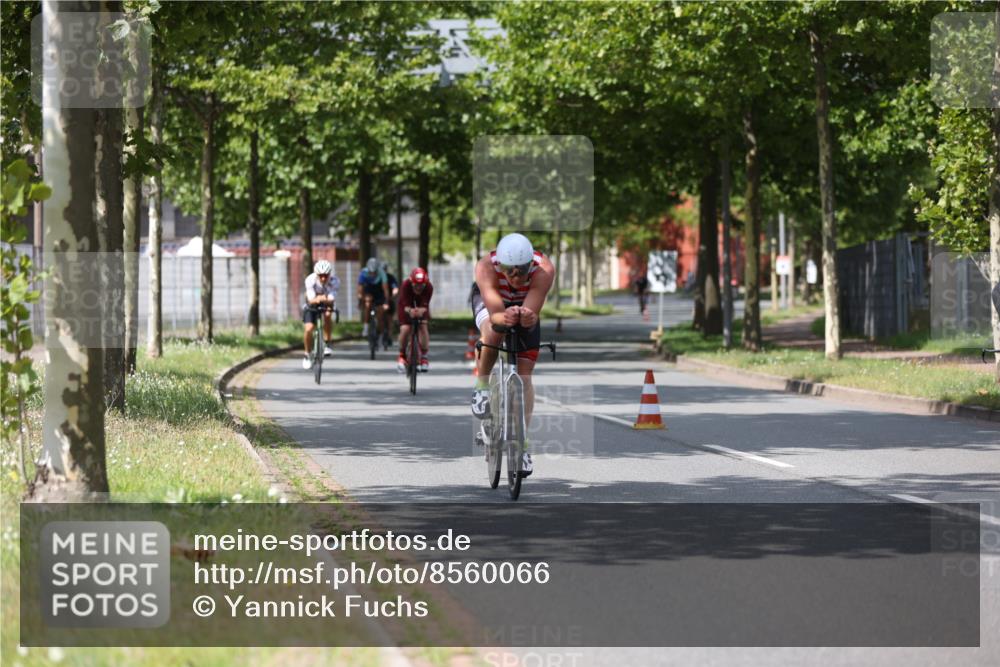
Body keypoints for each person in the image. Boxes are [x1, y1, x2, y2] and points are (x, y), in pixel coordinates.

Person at [470, 233, 555, 476]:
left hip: (525, 304)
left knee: (525, 374)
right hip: (493, 303)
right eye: (509, 271)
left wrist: (527, 316)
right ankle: (482, 386)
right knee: (493, 330)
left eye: (521, 270)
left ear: (531, 264)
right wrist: (503, 318)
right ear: (500, 265)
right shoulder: (486, 267)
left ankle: (522, 445)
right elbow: (496, 313)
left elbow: (532, 309)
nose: (515, 277)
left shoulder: (544, 269)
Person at [301, 260, 340, 370]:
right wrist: (319, 298)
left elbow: (331, 299)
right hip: (311, 305)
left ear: (330, 274)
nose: (323, 278)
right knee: (309, 329)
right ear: (316, 274)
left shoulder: (335, 281)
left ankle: (327, 343)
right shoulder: (310, 280)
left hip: (326, 303)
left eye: (325, 275)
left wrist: (321, 299)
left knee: (327, 314)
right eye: (321, 276)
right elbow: (311, 299)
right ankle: (307, 354)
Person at [396, 267, 434, 373]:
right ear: (411, 282)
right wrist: (410, 311)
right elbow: (405, 304)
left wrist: (421, 310)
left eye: (421, 285)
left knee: (423, 327)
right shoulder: (405, 285)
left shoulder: (429, 287)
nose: (418, 288)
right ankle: (402, 355)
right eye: (416, 285)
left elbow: (425, 304)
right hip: (406, 306)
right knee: (405, 329)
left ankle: (424, 356)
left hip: (421, 306)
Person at [357, 257, 390, 339]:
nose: (372, 274)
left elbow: (385, 289)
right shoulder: (363, 273)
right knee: (368, 304)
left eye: (374, 272)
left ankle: (380, 331)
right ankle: (366, 327)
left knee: (380, 313)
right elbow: (360, 289)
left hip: (379, 291)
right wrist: (360, 299)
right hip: (368, 290)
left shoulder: (382, 273)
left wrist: (386, 301)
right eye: (371, 272)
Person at [383, 262, 400, 348]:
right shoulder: (376, 278)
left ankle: (389, 336)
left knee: (390, 319)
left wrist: (393, 294)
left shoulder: (390, 277)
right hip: (378, 300)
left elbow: (395, 288)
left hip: (388, 299)